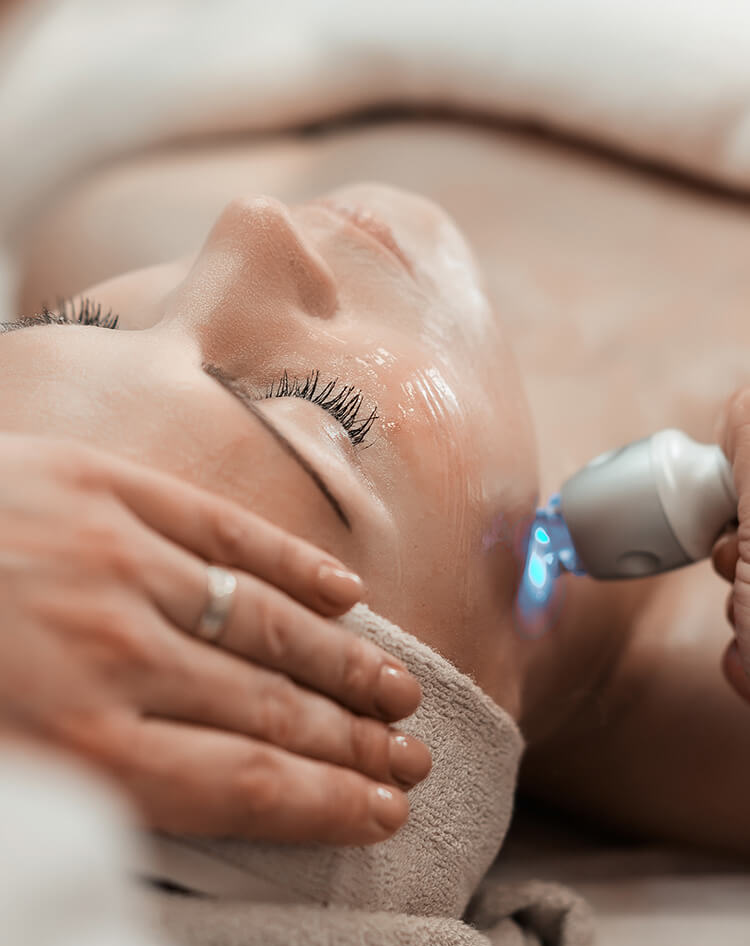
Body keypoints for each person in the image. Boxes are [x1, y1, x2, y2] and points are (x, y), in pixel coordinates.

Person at [4, 175, 750, 862]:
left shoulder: (118, 225)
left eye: (86, 322)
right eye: (316, 412)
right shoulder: (722, 724)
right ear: (466, 696)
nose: (250, 226)